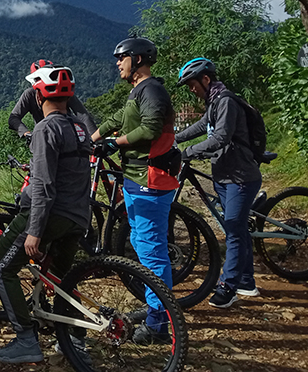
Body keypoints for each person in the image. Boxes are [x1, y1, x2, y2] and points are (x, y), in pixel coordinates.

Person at [0, 66, 92, 363]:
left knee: (0, 268)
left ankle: (25, 340)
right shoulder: (78, 126)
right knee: (60, 280)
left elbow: (43, 184)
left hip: (49, 214)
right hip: (77, 215)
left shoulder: (46, 128)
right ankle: (74, 341)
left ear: (37, 95)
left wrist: (34, 230)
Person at [91, 37, 179, 344]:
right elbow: (121, 118)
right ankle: (157, 308)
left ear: (138, 59)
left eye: (122, 57)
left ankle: (158, 324)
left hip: (150, 179)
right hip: (135, 177)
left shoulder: (152, 89)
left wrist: (116, 143)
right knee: (142, 244)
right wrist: (96, 135)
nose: (118, 62)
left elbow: (151, 128)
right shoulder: (138, 90)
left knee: (152, 251)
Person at [175, 57, 262, 307]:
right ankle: (246, 281)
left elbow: (221, 137)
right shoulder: (214, 102)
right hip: (224, 176)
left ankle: (228, 286)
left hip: (241, 177)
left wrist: (186, 152)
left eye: (192, 84)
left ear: (206, 79)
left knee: (233, 229)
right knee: (237, 229)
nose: (191, 89)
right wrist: (174, 137)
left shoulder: (225, 102)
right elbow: (204, 125)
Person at [8, 59, 96, 139]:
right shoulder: (30, 95)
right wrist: (26, 133)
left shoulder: (62, 92)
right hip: (46, 136)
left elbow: (83, 116)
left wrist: (95, 139)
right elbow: (14, 118)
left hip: (63, 137)